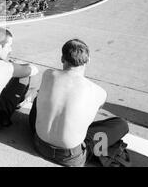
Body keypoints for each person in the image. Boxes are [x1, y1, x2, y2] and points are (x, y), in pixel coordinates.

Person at [29, 39, 129, 167]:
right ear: (88, 60)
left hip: (39, 143)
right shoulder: (99, 92)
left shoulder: (49, 75)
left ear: (62, 58)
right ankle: (98, 152)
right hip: (70, 158)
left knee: (39, 98)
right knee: (121, 124)